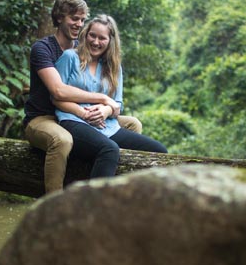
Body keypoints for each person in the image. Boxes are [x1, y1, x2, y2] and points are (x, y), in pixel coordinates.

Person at [23, 0, 142, 194]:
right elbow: (58, 90)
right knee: (62, 140)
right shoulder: (43, 49)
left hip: (79, 115)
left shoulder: (85, 48)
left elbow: (101, 87)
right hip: (43, 117)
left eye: (82, 19)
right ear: (59, 17)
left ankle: (106, 173)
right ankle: (54, 201)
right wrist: (103, 99)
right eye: (74, 18)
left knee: (133, 124)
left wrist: (104, 110)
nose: (79, 24)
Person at [53, 14, 167, 179]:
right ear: (85, 34)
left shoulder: (114, 67)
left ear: (110, 41)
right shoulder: (70, 57)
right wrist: (84, 113)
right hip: (72, 121)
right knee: (109, 149)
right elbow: (56, 97)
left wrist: (106, 111)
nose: (96, 42)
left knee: (159, 151)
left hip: (107, 126)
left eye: (102, 38)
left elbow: (117, 104)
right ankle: (98, 203)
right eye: (92, 35)